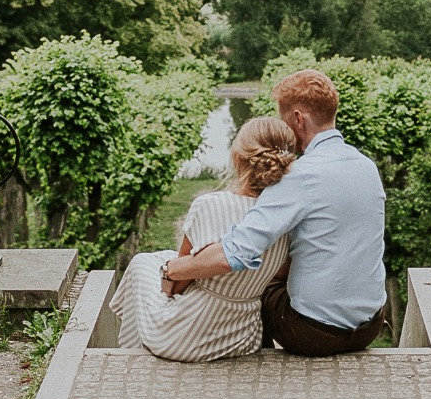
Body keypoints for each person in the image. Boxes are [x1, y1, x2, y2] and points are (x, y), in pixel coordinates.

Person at [159, 68, 388, 356]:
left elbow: (236, 253)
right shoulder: (366, 166)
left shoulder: (300, 175)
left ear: (298, 119)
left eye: (284, 120)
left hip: (314, 333)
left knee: (252, 286)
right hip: (369, 326)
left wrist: (172, 268)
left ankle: (243, 350)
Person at [113, 116, 297, 361]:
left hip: (186, 337)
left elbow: (180, 282)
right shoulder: (290, 216)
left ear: (238, 158)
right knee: (159, 258)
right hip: (243, 337)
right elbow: (281, 273)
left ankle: (131, 352)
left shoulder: (210, 204)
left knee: (140, 264)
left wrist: (168, 283)